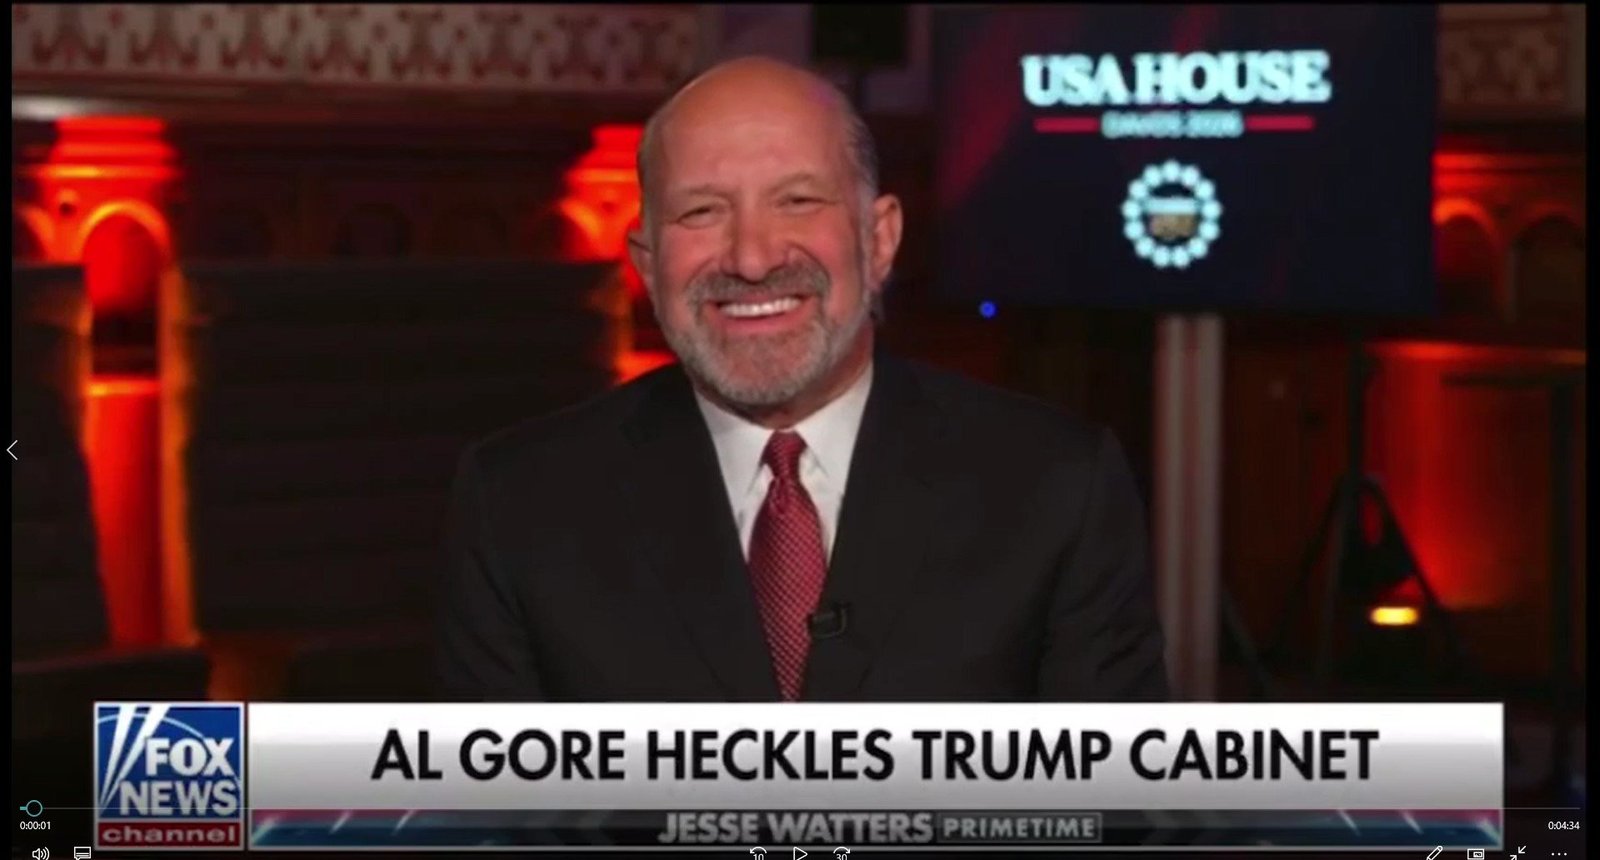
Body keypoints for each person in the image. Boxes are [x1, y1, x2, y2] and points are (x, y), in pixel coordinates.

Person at [435, 56, 1168, 702]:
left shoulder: (1058, 485)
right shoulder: (518, 502)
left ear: (878, 240)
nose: (752, 257)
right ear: (648, 262)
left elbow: (1117, 816)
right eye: (701, 211)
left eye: (797, 201)